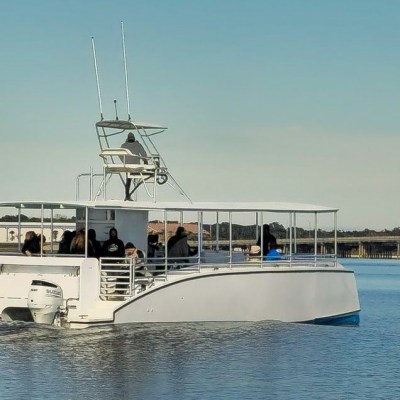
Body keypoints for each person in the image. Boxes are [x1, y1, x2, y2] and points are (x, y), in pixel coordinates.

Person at [121, 132, 148, 201]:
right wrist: (145, 161)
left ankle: (127, 195)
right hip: (136, 166)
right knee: (131, 178)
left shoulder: (123, 145)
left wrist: (124, 161)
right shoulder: (138, 145)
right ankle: (127, 195)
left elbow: (120, 155)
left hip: (127, 166)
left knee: (128, 179)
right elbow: (144, 154)